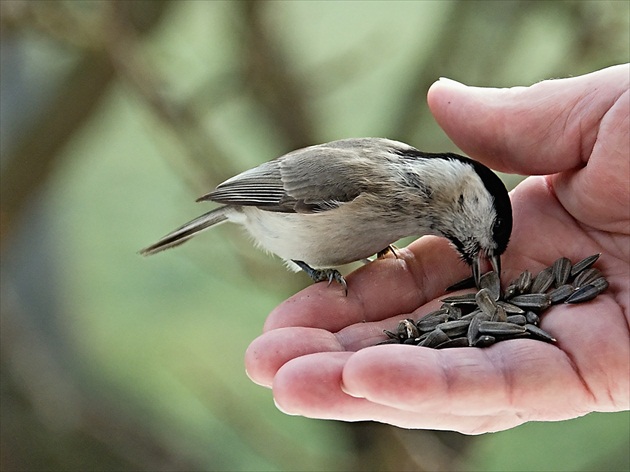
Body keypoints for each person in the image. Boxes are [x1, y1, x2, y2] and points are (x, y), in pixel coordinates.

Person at [245, 64, 629, 434]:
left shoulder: (411, 192)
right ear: (466, 197)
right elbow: (274, 186)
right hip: (267, 205)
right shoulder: (359, 177)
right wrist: (319, 270)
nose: (484, 261)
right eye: (488, 240)